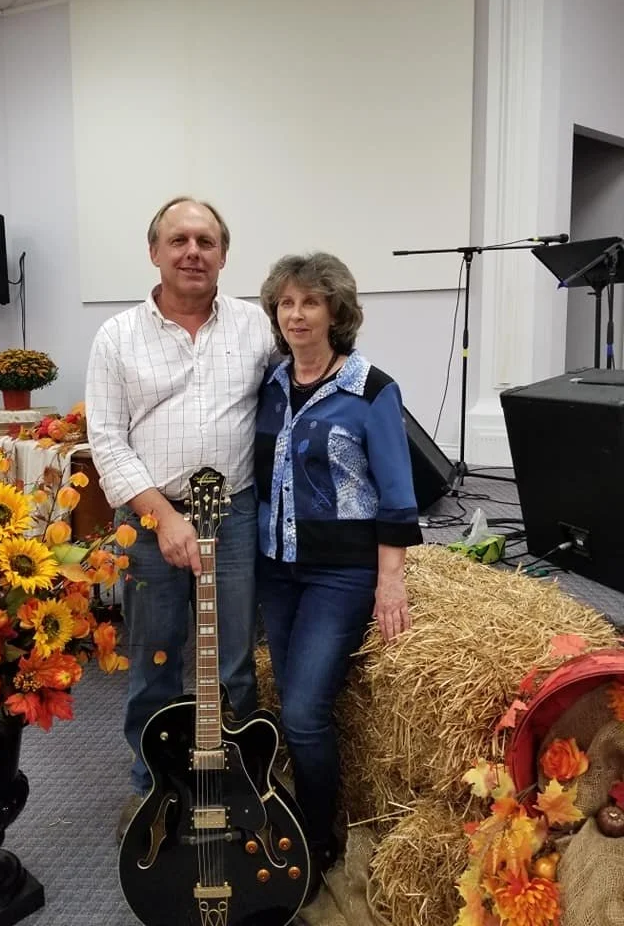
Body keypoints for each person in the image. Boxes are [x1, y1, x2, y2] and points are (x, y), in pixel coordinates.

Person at [85, 196, 275, 840]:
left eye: (206, 241)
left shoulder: (257, 328)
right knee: (156, 662)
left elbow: (309, 377)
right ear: (154, 252)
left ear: (224, 255)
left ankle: (234, 790)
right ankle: (153, 792)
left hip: (236, 513)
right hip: (148, 518)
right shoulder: (116, 337)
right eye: (179, 240)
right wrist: (163, 516)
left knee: (233, 664)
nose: (193, 251)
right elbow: (106, 440)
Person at [255, 251, 423, 890]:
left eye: (310, 303)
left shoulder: (371, 389)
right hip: (276, 569)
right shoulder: (269, 384)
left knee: (300, 712)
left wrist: (391, 580)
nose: (296, 315)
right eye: (286, 303)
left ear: (335, 312)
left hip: (340, 575)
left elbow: (398, 493)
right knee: (285, 697)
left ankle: (315, 833)